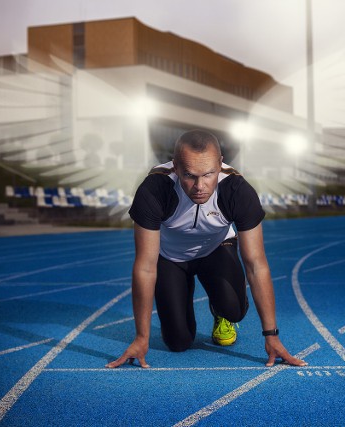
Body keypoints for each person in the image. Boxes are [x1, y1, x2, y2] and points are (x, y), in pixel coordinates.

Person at [106, 129, 306, 369]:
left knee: (234, 309)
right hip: (171, 258)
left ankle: (220, 312)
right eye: (190, 175)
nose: (199, 186)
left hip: (217, 249)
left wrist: (271, 335)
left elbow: (256, 264)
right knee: (178, 342)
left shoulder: (237, 191)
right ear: (176, 166)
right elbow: (146, 267)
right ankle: (183, 295)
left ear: (220, 164)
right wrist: (141, 337)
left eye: (209, 174)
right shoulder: (155, 189)